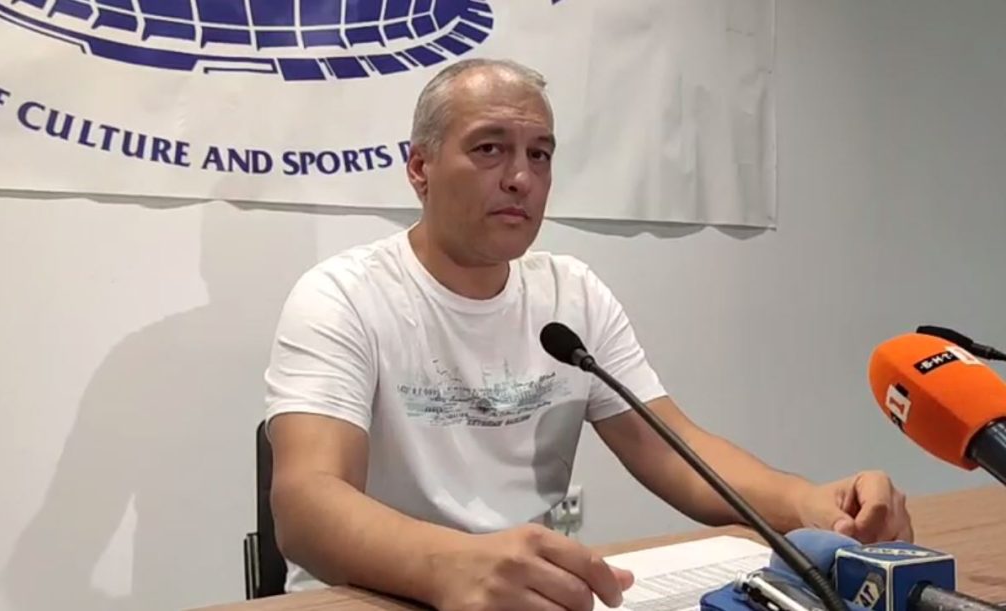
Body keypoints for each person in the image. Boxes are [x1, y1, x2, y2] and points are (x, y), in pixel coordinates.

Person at [263, 58, 913, 611]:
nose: (520, 177)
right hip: (370, 596)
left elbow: (675, 448)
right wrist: (449, 564)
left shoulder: (570, 296)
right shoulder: (343, 295)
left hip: (526, 597)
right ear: (419, 167)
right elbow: (307, 504)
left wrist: (808, 502)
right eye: (489, 149)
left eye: (539, 154)